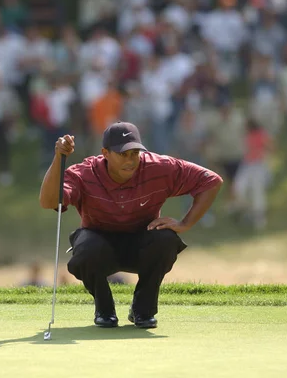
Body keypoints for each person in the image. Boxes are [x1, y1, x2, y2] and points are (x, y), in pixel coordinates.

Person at [39, 121, 223, 328]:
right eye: (123, 154)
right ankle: (104, 309)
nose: (130, 160)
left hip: (142, 244)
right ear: (105, 153)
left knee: (167, 239)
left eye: (134, 153)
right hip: (99, 246)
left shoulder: (158, 167)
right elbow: (48, 202)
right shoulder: (84, 173)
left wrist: (185, 223)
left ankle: (142, 310)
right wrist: (58, 158)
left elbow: (211, 181)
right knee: (86, 249)